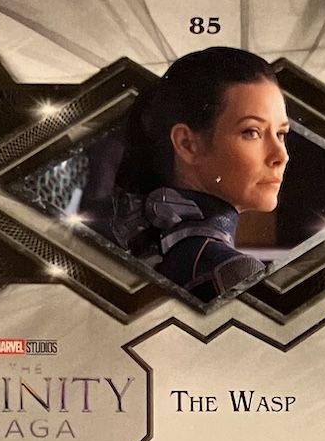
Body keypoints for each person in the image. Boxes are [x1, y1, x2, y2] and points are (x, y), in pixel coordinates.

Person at [111, 48, 288, 303]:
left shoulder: (163, 255)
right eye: (251, 132)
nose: (281, 155)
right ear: (187, 144)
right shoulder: (233, 271)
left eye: (281, 134)